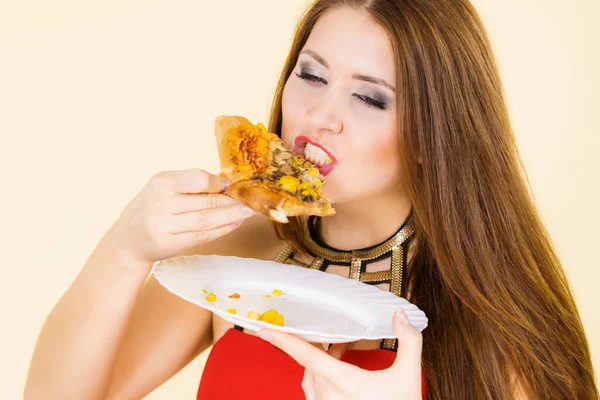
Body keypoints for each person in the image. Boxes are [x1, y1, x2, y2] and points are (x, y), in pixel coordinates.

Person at [24, 0, 598, 399]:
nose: (321, 118)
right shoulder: (240, 251)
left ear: (433, 134)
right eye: (312, 75)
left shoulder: (492, 306)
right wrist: (124, 249)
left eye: (370, 99)